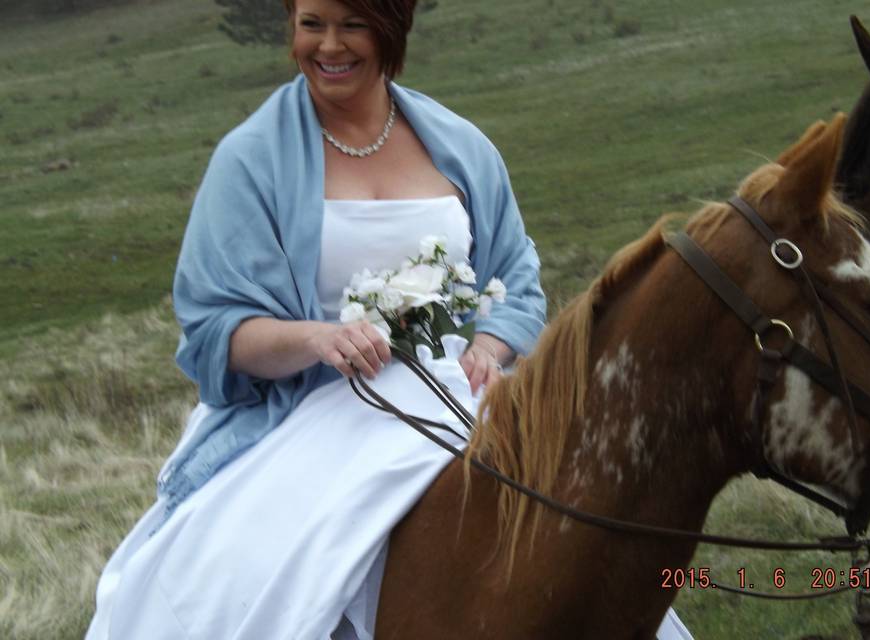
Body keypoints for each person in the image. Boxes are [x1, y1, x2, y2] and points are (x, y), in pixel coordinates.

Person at [86, 1, 691, 638]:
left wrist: (490, 344)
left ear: (390, 28)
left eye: (351, 24)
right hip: (309, 409)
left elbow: (514, 276)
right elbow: (217, 331)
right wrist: (316, 338)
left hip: (461, 393)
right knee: (235, 577)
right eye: (311, 23)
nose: (328, 45)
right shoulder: (249, 160)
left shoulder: (460, 146)